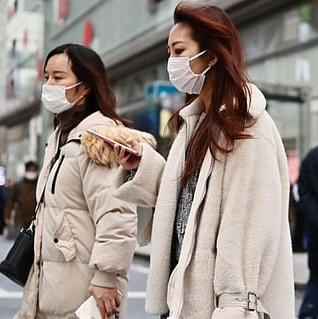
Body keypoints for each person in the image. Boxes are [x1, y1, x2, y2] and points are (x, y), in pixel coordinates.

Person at [111, 3, 294, 318]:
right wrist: (141, 165)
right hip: (184, 301)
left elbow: (247, 227)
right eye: (169, 52)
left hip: (220, 308)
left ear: (212, 55)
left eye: (180, 50)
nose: (172, 61)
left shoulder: (247, 125)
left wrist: (233, 306)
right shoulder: (193, 123)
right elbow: (188, 199)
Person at [14, 43, 157, 319]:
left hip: (84, 295)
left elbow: (116, 215)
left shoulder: (97, 140)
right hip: (52, 290)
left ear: (85, 86)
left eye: (58, 77)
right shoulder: (61, 137)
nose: (49, 84)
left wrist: (106, 277)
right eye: (46, 77)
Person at [297, 143, 318, 319]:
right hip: (316, 230)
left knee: (316, 278)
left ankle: (307, 315)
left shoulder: (312, 157)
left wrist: (317, 218)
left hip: (317, 232)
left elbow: (303, 193)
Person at [4, 161, 38, 232]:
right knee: (21, 241)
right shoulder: (18, 185)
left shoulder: (40, 185)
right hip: (20, 219)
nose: (31, 173)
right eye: (29, 170)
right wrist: (7, 215)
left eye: (33, 171)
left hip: (36, 220)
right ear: (25, 170)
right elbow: (10, 201)